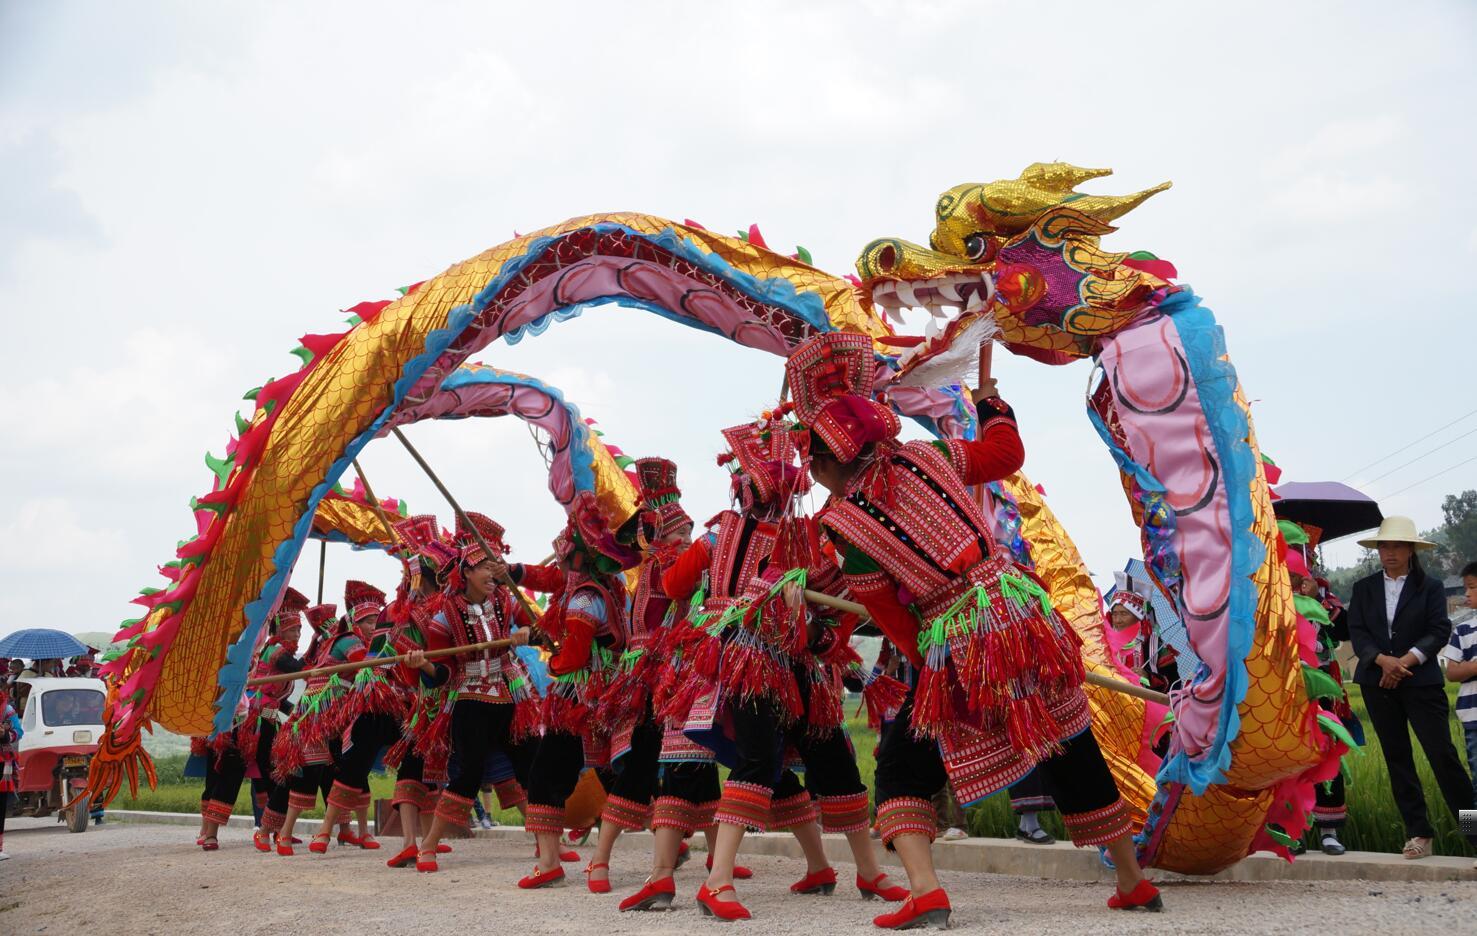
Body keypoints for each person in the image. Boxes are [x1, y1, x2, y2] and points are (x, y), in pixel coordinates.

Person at [786, 331, 1159, 927]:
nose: (816, 477)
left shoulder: (843, 524)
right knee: (1065, 735)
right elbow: (1007, 458)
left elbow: (888, 614)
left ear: (833, 457)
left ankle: (926, 890)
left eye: (816, 464)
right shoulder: (930, 456)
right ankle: (1134, 882)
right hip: (1021, 613)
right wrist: (991, 403)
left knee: (905, 761)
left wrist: (935, 673)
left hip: (956, 637)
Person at [661, 414, 908, 920]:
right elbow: (674, 590)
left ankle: (868, 872)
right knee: (757, 763)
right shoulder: (721, 538)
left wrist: (820, 633)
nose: (765, 489)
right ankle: (717, 882)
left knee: (835, 763)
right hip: (748, 662)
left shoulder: (797, 537)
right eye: (757, 480)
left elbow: (835, 602)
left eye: (772, 480)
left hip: (800, 669)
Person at [406, 511, 538, 873]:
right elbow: (444, 674)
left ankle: (546, 844)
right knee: (468, 773)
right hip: (470, 699)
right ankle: (428, 847)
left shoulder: (508, 603)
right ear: (466, 572)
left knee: (529, 763)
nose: (493, 576)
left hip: (511, 695)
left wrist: (527, 633)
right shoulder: (444, 616)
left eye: (495, 569)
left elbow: (540, 631)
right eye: (485, 568)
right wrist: (424, 665)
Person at [504, 516, 631, 889]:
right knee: (614, 772)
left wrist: (546, 649)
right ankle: (673, 843)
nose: (558, 567)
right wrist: (511, 570)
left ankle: (548, 863)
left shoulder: (583, 598)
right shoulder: (604, 586)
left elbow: (572, 657)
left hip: (579, 695)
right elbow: (548, 581)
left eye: (562, 561)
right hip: (607, 691)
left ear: (576, 561)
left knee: (545, 774)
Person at [1347, 516, 1476, 860]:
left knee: (1443, 757)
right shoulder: (1363, 589)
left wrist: (1403, 662)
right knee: (1397, 759)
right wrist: (1381, 661)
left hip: (1421, 682)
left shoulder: (1430, 587)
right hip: (1377, 682)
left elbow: (1438, 629)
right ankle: (1419, 833)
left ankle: (1475, 835)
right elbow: (1358, 632)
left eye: (1397, 546)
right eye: (1384, 546)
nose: (1390, 552)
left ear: (1411, 550)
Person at [1439, 559, 1477, 869]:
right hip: (1472, 719)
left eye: (1473, 588)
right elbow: (1451, 672)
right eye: (1466, 588)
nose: (1467, 594)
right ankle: (1474, 846)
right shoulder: (1463, 629)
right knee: (1475, 785)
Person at [0, 687, 21, 860]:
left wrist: (6, 733)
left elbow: (19, 731)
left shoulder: (7, 710)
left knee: (1, 803)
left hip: (3, 761)